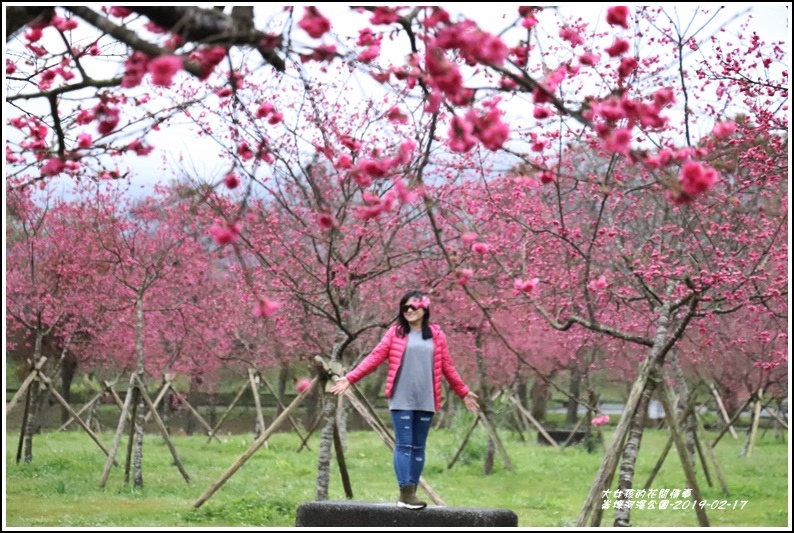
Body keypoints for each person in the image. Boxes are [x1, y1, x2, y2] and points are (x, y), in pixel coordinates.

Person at [330, 289, 479, 510]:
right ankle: (405, 492)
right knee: (404, 445)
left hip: (427, 398)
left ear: (424, 308)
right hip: (401, 397)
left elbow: (447, 366)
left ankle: (411, 494)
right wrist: (350, 378)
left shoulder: (437, 335)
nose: (408, 310)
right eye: (405, 307)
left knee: (419, 447)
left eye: (413, 306)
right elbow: (374, 357)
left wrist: (463, 391)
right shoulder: (395, 333)